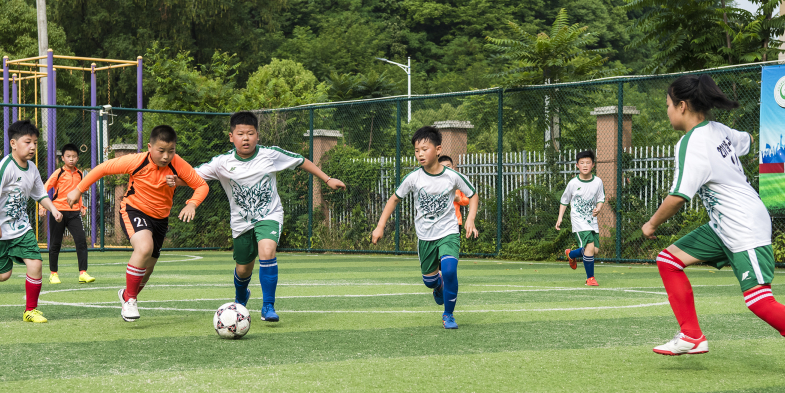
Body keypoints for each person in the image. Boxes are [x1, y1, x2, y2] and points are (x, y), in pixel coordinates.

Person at [642, 74, 785, 381]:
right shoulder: (718, 130)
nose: (667, 110)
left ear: (682, 106)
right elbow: (746, 141)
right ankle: (692, 336)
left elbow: (679, 196)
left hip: (742, 224)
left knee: (759, 301)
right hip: (724, 223)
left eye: (668, 104)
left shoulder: (691, 143)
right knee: (669, 260)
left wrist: (651, 223)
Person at [186, 111, 346, 322]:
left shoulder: (270, 155)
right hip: (241, 222)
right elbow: (191, 176)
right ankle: (241, 297)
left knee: (267, 251)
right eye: (240, 134)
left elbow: (301, 160)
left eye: (250, 133)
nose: (246, 138)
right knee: (243, 269)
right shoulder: (221, 162)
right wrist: (169, 180)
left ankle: (268, 306)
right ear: (231, 137)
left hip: (269, 215)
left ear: (258, 135)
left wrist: (327, 179)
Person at [68, 125, 209, 322]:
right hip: (134, 209)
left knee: (148, 269)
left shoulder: (177, 164)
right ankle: (131, 301)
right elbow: (103, 168)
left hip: (160, 219)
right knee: (144, 248)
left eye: (171, 151)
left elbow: (201, 185)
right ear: (150, 147)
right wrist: (78, 189)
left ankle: (127, 295)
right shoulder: (136, 161)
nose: (166, 156)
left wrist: (192, 203)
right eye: (161, 151)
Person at [372, 126, 479, 329]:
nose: (420, 154)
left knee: (449, 270)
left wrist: (470, 219)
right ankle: (437, 286)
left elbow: (473, 195)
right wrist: (380, 226)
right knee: (430, 281)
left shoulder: (452, 176)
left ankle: (448, 315)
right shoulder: (414, 178)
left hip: (448, 232)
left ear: (438, 150)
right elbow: (394, 199)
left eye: (424, 149)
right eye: (416, 150)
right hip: (425, 236)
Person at [0, 120, 63, 322]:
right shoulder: (5, 168)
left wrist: (54, 209)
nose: (32, 147)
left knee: (36, 264)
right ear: (13, 143)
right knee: (3, 274)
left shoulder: (32, 169)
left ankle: (30, 311)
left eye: (35, 143)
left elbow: (40, 194)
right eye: (27, 142)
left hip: (21, 228)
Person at [41, 143, 95, 284]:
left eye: (74, 156)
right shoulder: (58, 173)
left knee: (81, 241)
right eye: (68, 156)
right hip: (58, 212)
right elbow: (45, 187)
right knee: (55, 243)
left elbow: (79, 191)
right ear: (63, 158)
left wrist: (81, 206)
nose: (71, 159)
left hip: (74, 213)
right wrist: (42, 206)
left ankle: (83, 273)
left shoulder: (80, 174)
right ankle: (53, 274)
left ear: (77, 158)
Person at [555, 150, 605, 286]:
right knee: (590, 246)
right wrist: (560, 218)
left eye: (588, 162)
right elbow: (564, 201)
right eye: (582, 163)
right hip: (578, 220)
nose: (585, 165)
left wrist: (599, 208)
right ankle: (590, 278)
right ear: (577, 165)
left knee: (594, 250)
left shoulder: (598, 182)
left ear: (593, 165)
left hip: (592, 220)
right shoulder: (573, 183)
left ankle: (571, 254)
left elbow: (601, 198)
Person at [438, 155, 470, 229]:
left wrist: (458, 199)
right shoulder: (434, 183)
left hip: (455, 221)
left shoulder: (458, 182)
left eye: (448, 166)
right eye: (442, 166)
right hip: (438, 222)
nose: (446, 169)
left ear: (453, 167)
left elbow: (467, 200)